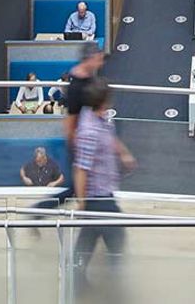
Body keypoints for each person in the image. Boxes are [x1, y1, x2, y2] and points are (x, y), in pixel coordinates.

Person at [67, 78, 134, 291]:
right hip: (98, 197)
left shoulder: (100, 119)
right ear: (103, 102)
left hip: (104, 193)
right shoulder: (89, 132)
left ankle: (75, 282)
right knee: (117, 237)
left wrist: (122, 152)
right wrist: (82, 202)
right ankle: (116, 288)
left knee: (88, 239)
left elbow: (109, 136)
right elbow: (80, 168)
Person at [34, 45, 108, 215]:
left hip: (87, 138)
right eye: (98, 59)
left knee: (80, 186)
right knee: (76, 187)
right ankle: (40, 210)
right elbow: (70, 120)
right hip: (80, 141)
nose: (100, 63)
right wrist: (74, 146)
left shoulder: (89, 77)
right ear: (89, 59)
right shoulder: (77, 86)